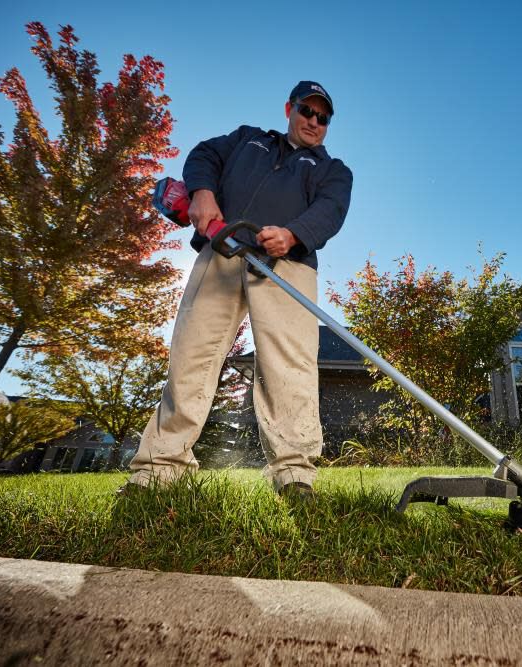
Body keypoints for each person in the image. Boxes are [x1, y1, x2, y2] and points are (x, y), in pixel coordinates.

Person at [122, 81, 352, 498]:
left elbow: (331, 211)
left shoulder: (331, 169)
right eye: (307, 111)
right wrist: (203, 193)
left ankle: (294, 473)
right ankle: (159, 468)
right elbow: (203, 156)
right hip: (223, 250)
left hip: (287, 265)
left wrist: (294, 233)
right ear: (289, 108)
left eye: (323, 117)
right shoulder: (247, 140)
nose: (314, 122)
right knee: (192, 355)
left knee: (290, 365)